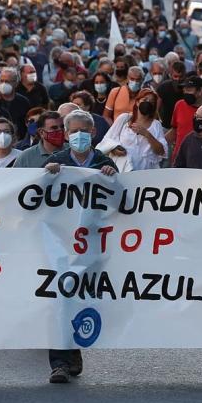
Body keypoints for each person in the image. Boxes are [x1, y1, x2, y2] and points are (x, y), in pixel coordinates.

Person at [43, 109, 118, 384]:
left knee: (83, 298)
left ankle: (73, 349)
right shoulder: (56, 161)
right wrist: (47, 176)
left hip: (93, 245)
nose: (78, 136)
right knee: (61, 299)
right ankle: (59, 362)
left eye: (83, 131)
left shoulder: (104, 162)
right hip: (61, 244)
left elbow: (120, 202)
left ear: (93, 133)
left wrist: (112, 176)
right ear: (66, 134)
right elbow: (41, 200)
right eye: (73, 131)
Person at [98, 88, 166, 171]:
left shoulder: (156, 125)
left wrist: (147, 134)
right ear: (137, 102)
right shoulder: (124, 119)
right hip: (122, 170)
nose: (148, 102)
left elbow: (161, 152)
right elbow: (107, 139)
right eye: (145, 99)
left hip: (145, 172)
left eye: (151, 102)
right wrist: (113, 148)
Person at [0, 68, 32, 140]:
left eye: (7, 81)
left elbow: (28, 125)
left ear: (16, 83)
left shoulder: (23, 102)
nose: (4, 84)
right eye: (2, 81)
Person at [156, 60, 186, 127]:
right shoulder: (164, 87)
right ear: (171, 75)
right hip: (166, 125)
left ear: (184, 76)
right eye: (175, 76)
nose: (178, 79)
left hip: (183, 125)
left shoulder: (189, 88)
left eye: (180, 77)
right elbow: (156, 108)